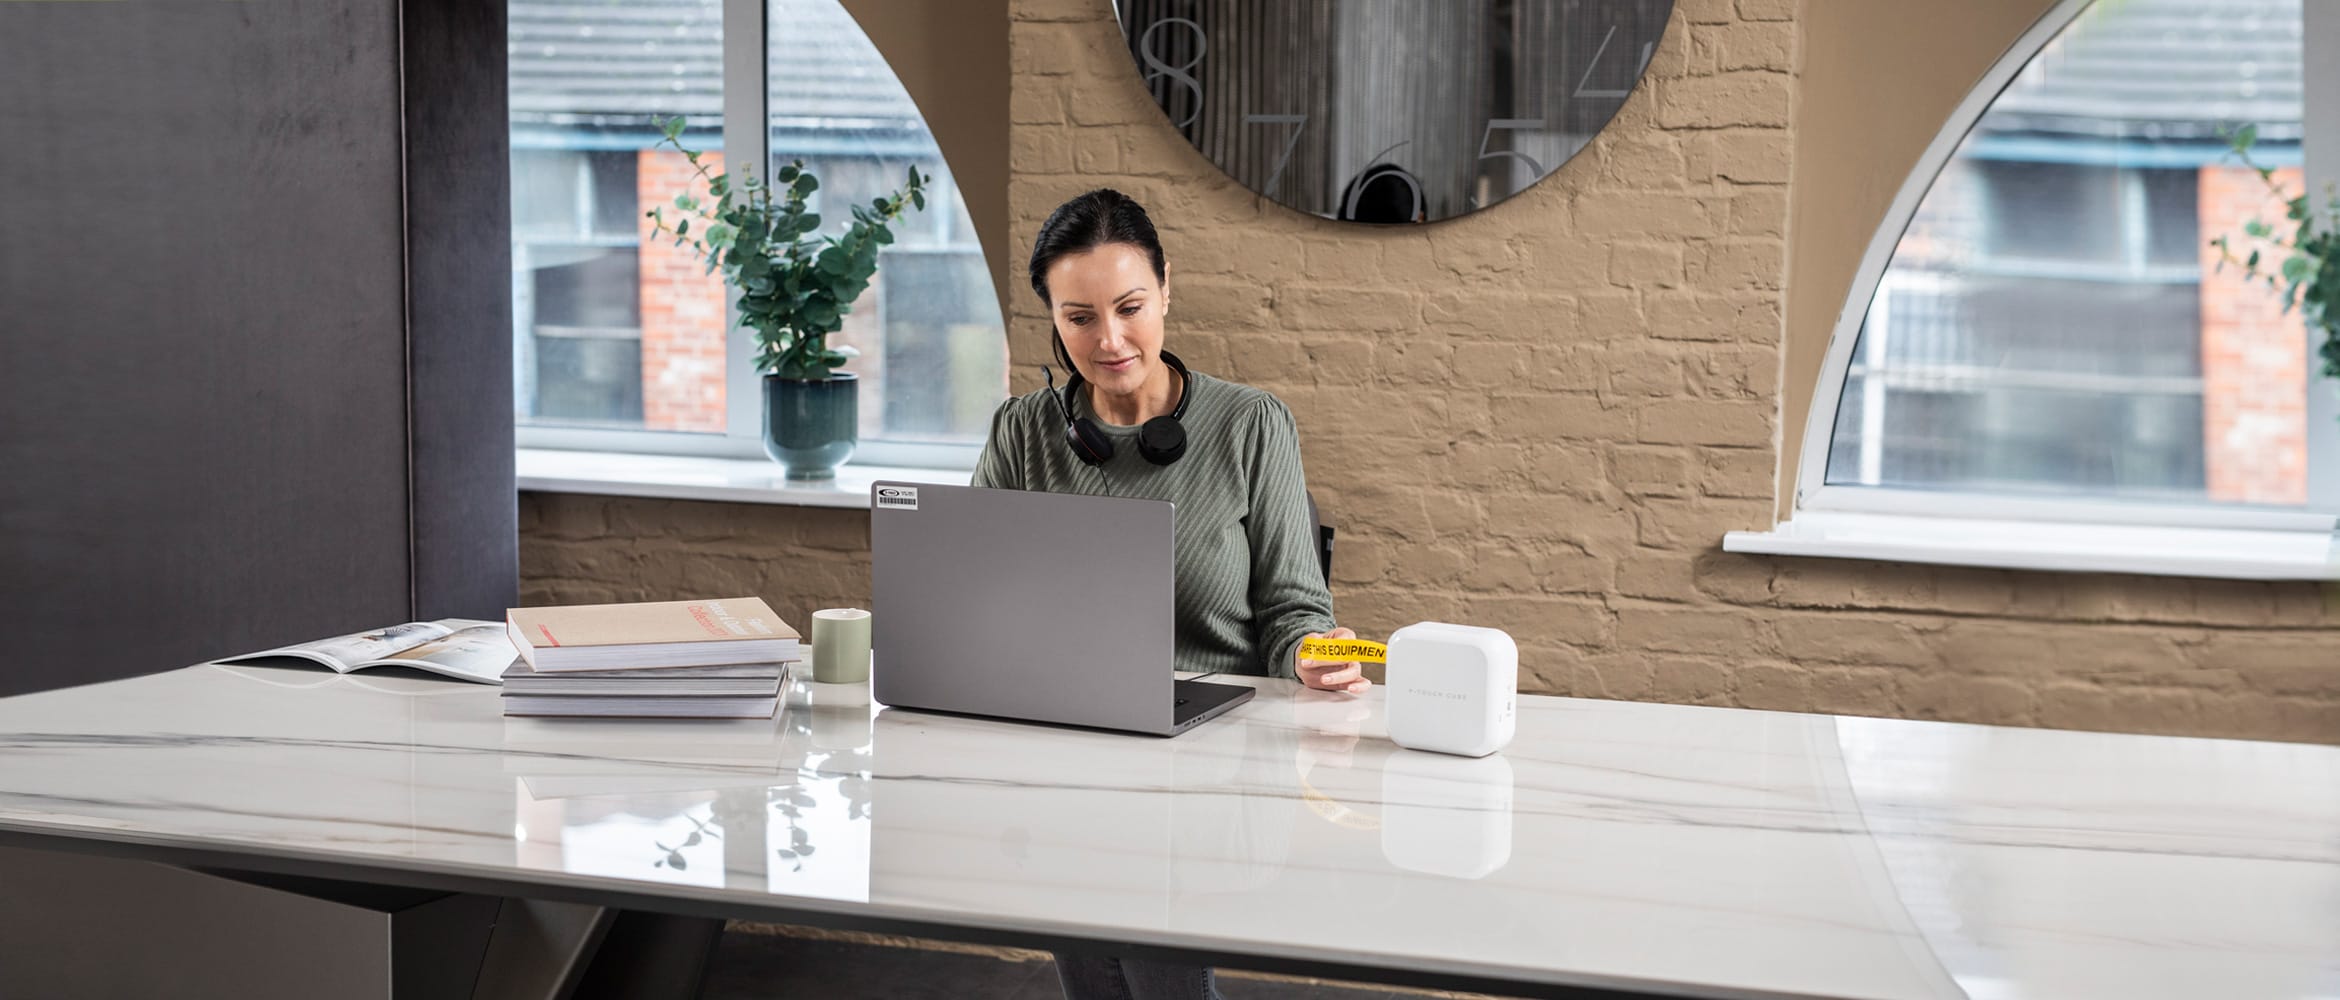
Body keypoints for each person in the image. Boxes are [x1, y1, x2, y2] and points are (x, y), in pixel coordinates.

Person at [972, 188, 1370, 1000]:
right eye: (1078, 317)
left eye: (1129, 307)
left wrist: (1315, 656)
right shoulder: (1022, 433)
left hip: (1214, 759)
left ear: (1166, 291)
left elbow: (1297, 612)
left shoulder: (1253, 425)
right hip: (1069, 747)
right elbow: (975, 596)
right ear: (1052, 318)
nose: (1109, 339)